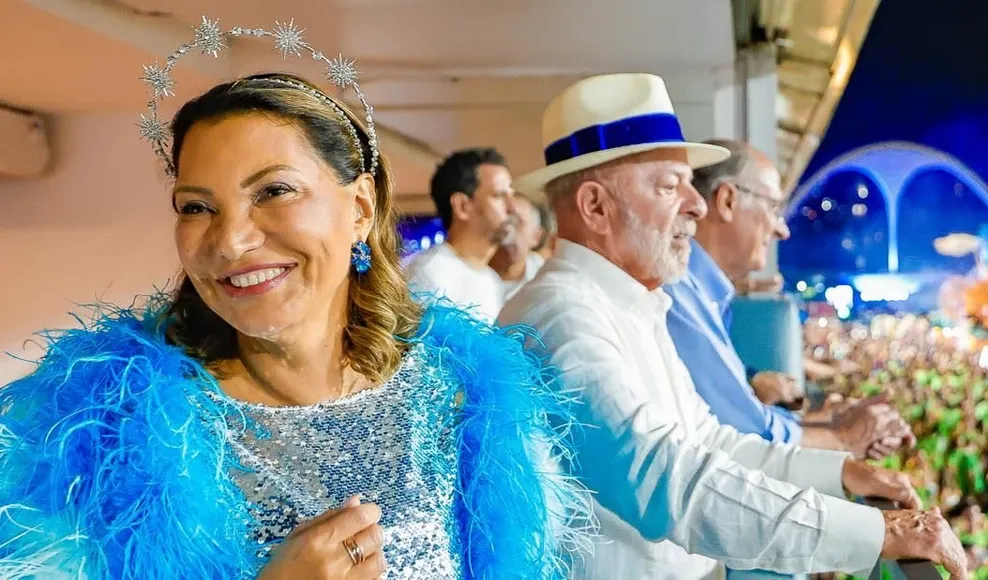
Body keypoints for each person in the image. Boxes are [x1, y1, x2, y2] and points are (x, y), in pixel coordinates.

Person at [0, 20, 583, 579]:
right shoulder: (101, 438)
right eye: (196, 207)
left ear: (359, 208)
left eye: (274, 191)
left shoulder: (465, 396)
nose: (230, 241)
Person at [499, 73, 968, 579]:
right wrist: (879, 533)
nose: (695, 205)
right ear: (595, 206)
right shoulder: (561, 317)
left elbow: (709, 441)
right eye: (668, 185)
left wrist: (840, 472)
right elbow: (668, 481)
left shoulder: (630, 306)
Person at [664, 139, 913, 459]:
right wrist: (844, 437)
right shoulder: (678, 292)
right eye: (773, 208)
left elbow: (740, 419)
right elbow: (744, 434)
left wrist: (833, 423)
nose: (782, 230)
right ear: (727, 200)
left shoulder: (707, 295)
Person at [404, 147, 516, 321]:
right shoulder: (429, 274)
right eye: (500, 196)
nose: (512, 208)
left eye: (511, 195)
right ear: (462, 206)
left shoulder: (492, 280)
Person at [489, 192, 547, 298]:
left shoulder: (546, 280)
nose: (508, 230)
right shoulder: (466, 273)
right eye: (504, 222)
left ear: (536, 237)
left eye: (516, 222)